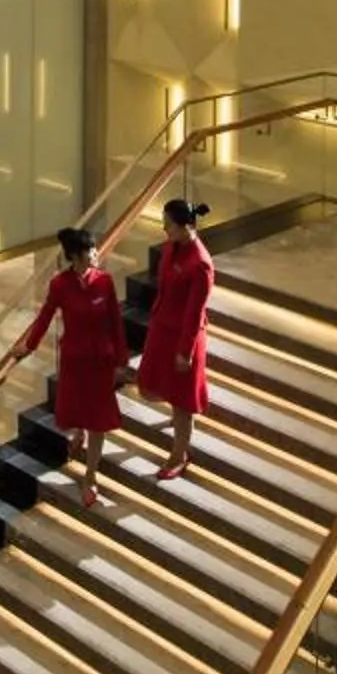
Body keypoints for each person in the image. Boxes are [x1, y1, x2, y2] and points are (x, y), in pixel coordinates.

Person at [17, 224, 128, 508]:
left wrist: (121, 359)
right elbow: (45, 317)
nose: (96, 253)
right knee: (78, 408)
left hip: (101, 362)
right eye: (91, 250)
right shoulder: (60, 285)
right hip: (75, 360)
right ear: (76, 257)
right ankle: (80, 432)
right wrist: (29, 346)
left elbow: (115, 322)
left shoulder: (105, 282)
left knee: (99, 420)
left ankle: (90, 475)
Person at [138, 197, 214, 478]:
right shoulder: (172, 247)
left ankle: (179, 454)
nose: (164, 229)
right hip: (163, 329)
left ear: (186, 226)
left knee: (182, 401)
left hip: (183, 337)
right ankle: (177, 427)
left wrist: (185, 351)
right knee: (158, 384)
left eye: (168, 224)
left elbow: (194, 313)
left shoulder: (200, 264)